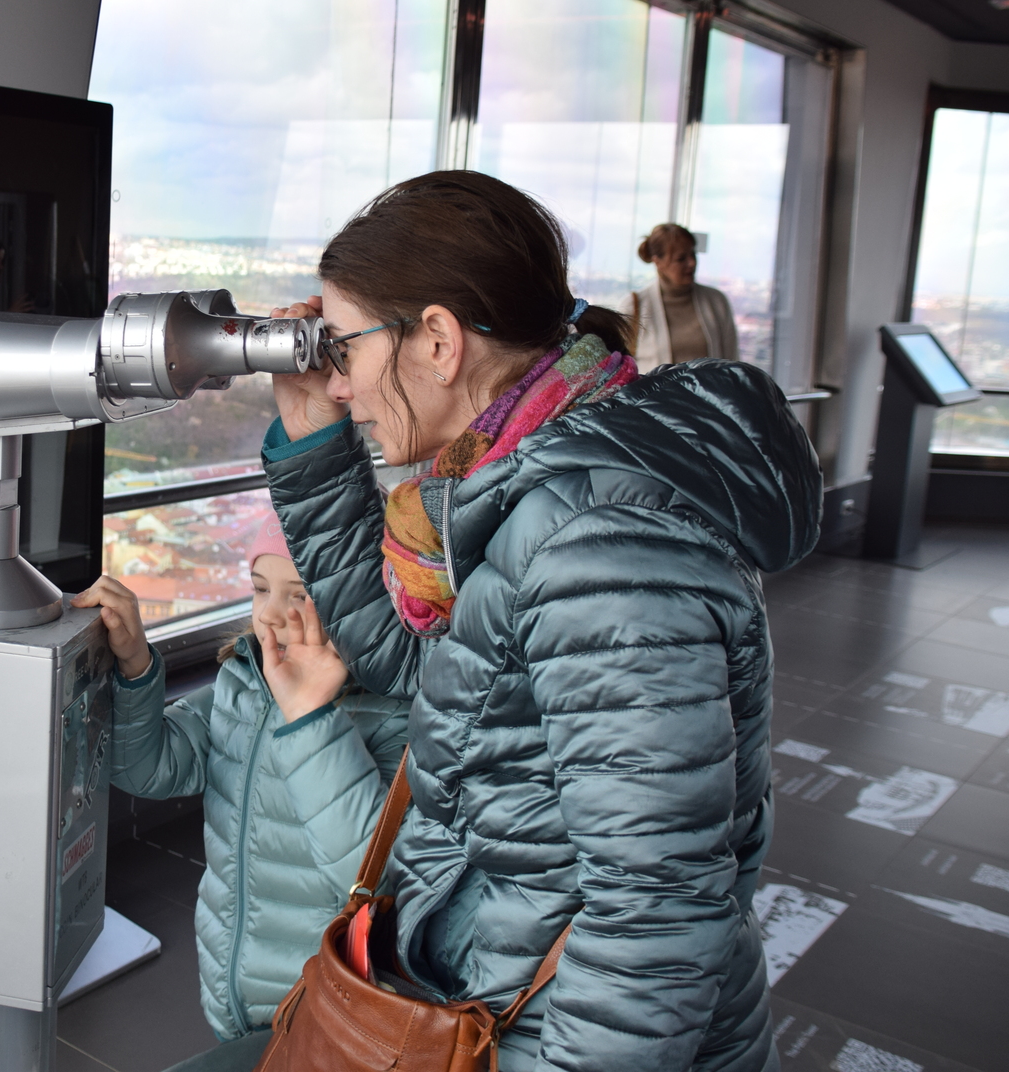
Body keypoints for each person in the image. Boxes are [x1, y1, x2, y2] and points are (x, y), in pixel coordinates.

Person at [261, 171, 821, 1071]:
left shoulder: (603, 547)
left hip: (555, 1025)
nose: (339, 384)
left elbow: (655, 909)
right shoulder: (515, 484)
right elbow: (420, 670)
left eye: (346, 347)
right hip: (500, 979)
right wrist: (311, 442)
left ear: (438, 341)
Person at [72, 521, 408, 1068]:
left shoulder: (394, 716)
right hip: (234, 986)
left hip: (332, 1006)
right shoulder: (242, 682)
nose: (271, 613)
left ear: (361, 603)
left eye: (299, 594)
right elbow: (148, 769)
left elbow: (371, 876)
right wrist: (135, 665)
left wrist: (311, 717)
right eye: (259, 588)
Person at [630, 221, 739, 371]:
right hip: (655, 387)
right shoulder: (635, 305)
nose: (692, 263)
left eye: (693, 254)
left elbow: (732, 363)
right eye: (681, 259)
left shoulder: (716, 301)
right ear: (658, 262)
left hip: (711, 387)